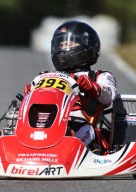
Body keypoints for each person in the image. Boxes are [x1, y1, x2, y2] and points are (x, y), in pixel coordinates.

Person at [25, 20, 117, 151]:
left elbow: (109, 95)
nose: (63, 48)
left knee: (70, 133)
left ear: (86, 46)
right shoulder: (44, 76)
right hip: (47, 122)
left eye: (68, 44)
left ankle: (64, 149)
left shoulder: (99, 76)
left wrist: (93, 88)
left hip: (82, 126)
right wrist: (31, 93)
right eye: (60, 44)